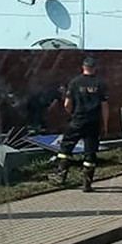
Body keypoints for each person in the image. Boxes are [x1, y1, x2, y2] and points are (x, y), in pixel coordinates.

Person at [49, 56, 109, 192]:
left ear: (83, 67)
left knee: (66, 147)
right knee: (90, 153)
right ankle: (87, 184)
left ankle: (61, 176)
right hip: (93, 123)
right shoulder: (100, 84)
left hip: (78, 120)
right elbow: (105, 106)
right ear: (95, 68)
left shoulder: (75, 82)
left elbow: (67, 104)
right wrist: (105, 125)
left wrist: (73, 114)